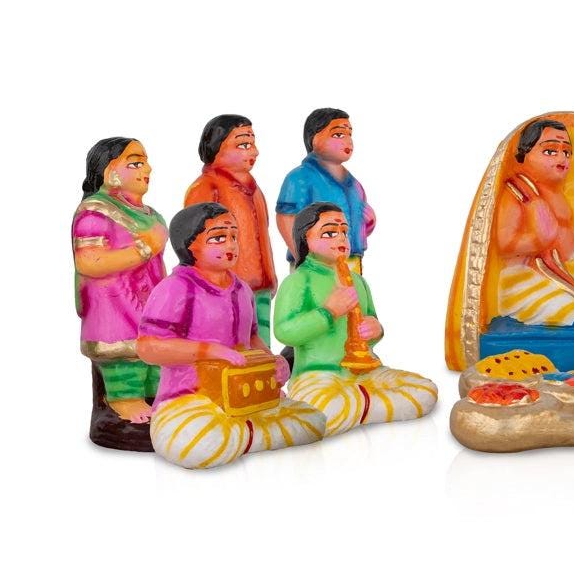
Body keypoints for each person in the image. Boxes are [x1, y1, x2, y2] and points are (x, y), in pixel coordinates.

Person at [137, 204, 324, 468]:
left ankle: (240, 436)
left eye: (234, 236)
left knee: (312, 422)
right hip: (191, 399)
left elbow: (252, 339)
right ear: (189, 245)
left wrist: (272, 362)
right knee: (197, 444)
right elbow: (148, 347)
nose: (231, 245)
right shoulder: (175, 289)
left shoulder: (242, 290)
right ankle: (248, 435)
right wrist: (209, 351)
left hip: (245, 399)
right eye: (218, 238)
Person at [276, 203, 438, 434]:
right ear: (305, 239)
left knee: (425, 392)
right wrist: (328, 312)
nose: (341, 238)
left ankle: (356, 405)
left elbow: (372, 323)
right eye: (329, 233)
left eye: (344, 231)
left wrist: (376, 329)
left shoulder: (358, 281)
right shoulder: (299, 281)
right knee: (323, 410)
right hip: (319, 373)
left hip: (366, 372)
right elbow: (284, 331)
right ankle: (368, 404)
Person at [73, 137, 169, 447]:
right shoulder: (96, 212)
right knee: (125, 358)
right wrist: (145, 248)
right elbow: (89, 261)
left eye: (146, 162)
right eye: (136, 163)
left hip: (150, 301)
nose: (147, 169)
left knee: (155, 358)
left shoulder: (150, 214)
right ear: (110, 172)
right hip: (114, 304)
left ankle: (156, 398)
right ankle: (123, 402)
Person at [493, 119, 574, 326]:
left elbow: (567, 232)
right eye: (550, 151)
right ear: (523, 155)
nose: (562, 158)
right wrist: (537, 240)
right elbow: (504, 243)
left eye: (567, 152)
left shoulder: (555, 192)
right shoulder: (517, 193)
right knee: (571, 314)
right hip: (525, 276)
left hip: (563, 267)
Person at [184, 114, 278, 344]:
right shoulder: (206, 187)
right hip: (225, 287)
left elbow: (263, 234)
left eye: (252, 144)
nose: (254, 152)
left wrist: (270, 273)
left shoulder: (255, 189)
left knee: (262, 344)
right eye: (243, 145)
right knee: (231, 341)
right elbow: (193, 240)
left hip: (260, 285)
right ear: (216, 147)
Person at [275, 108, 375, 270]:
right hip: (315, 262)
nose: (348, 141)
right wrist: (302, 257)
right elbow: (286, 218)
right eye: (338, 135)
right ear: (314, 138)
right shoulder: (300, 177)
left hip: (351, 260)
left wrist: (368, 223)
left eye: (349, 134)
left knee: (352, 287)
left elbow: (357, 224)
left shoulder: (354, 184)